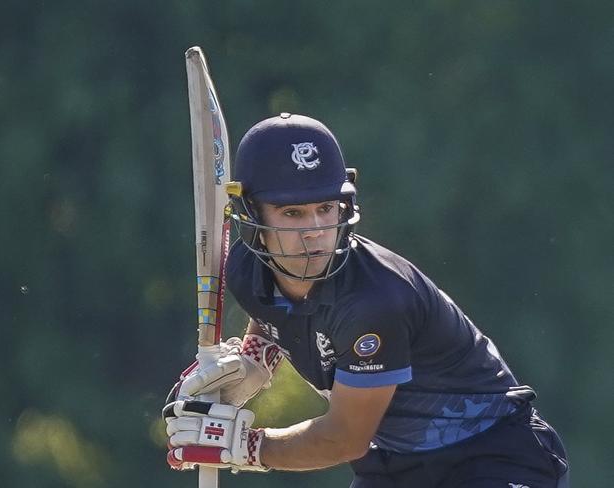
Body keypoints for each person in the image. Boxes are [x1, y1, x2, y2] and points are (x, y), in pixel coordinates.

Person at [163, 113, 569, 487]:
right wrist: (252, 361)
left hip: (492, 455)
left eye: (326, 207)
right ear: (251, 214)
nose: (316, 231)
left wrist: (244, 445)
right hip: (393, 464)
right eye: (292, 214)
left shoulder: (375, 301)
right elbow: (273, 315)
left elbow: (343, 439)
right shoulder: (243, 272)